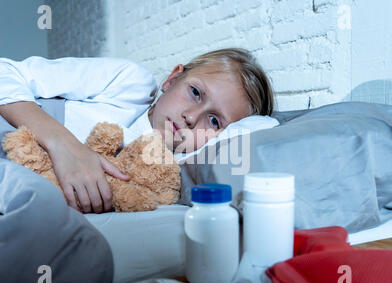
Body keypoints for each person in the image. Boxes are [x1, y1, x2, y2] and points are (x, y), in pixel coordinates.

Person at [0, 48, 274, 214]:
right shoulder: (130, 85)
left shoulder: (175, 166)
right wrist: (63, 144)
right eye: (195, 93)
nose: (192, 117)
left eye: (214, 121)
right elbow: (5, 70)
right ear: (172, 78)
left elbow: (264, 129)